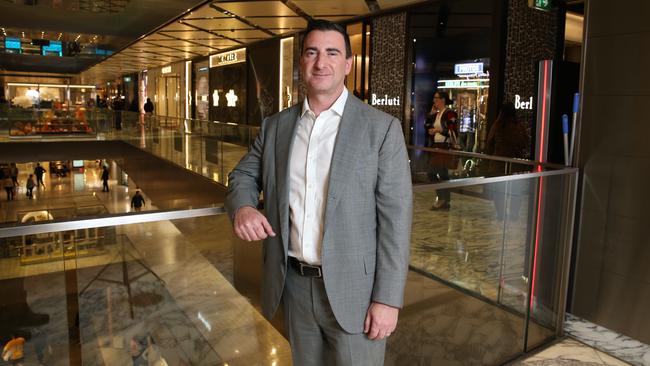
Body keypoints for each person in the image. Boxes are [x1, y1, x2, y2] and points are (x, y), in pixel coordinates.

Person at [225, 20, 412, 366]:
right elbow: (242, 176)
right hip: (293, 287)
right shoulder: (276, 127)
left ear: (348, 64)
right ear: (301, 63)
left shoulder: (381, 129)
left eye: (331, 53)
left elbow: (396, 223)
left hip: (357, 293)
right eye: (311, 53)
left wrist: (388, 299)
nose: (320, 63)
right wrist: (244, 208)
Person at [485, 102, 528, 220]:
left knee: (499, 191)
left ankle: (501, 214)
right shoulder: (518, 125)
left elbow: (489, 143)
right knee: (515, 192)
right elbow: (525, 142)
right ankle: (514, 215)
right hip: (515, 164)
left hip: (498, 164)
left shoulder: (497, 125)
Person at [424, 90, 458, 210]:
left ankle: (443, 199)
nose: (434, 100)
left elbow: (452, 131)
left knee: (434, 173)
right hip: (436, 146)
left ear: (443, 100)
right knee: (440, 173)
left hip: (444, 147)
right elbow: (427, 125)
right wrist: (431, 114)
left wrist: (438, 130)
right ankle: (444, 200)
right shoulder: (437, 113)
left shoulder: (450, 113)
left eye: (436, 98)